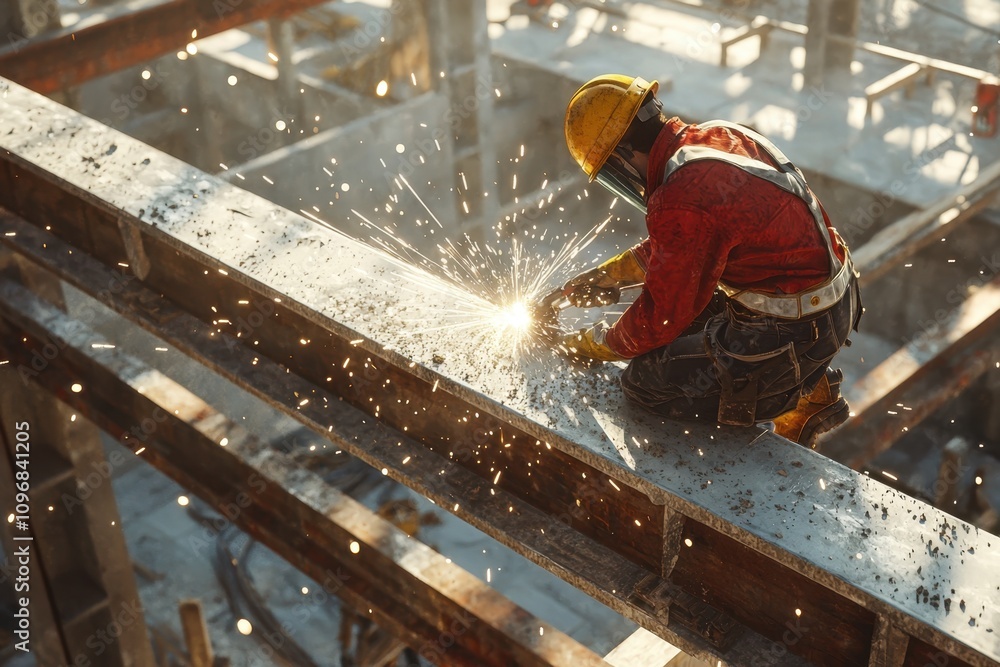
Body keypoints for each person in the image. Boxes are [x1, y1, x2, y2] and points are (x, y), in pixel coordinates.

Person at [558, 74, 863, 447]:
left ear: (621, 156)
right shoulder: (714, 137)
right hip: (834, 302)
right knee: (688, 325)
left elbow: (662, 315)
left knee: (646, 383)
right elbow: (687, 245)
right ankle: (796, 378)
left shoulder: (682, 196)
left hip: (796, 328)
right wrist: (608, 275)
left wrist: (598, 343)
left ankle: (791, 399)